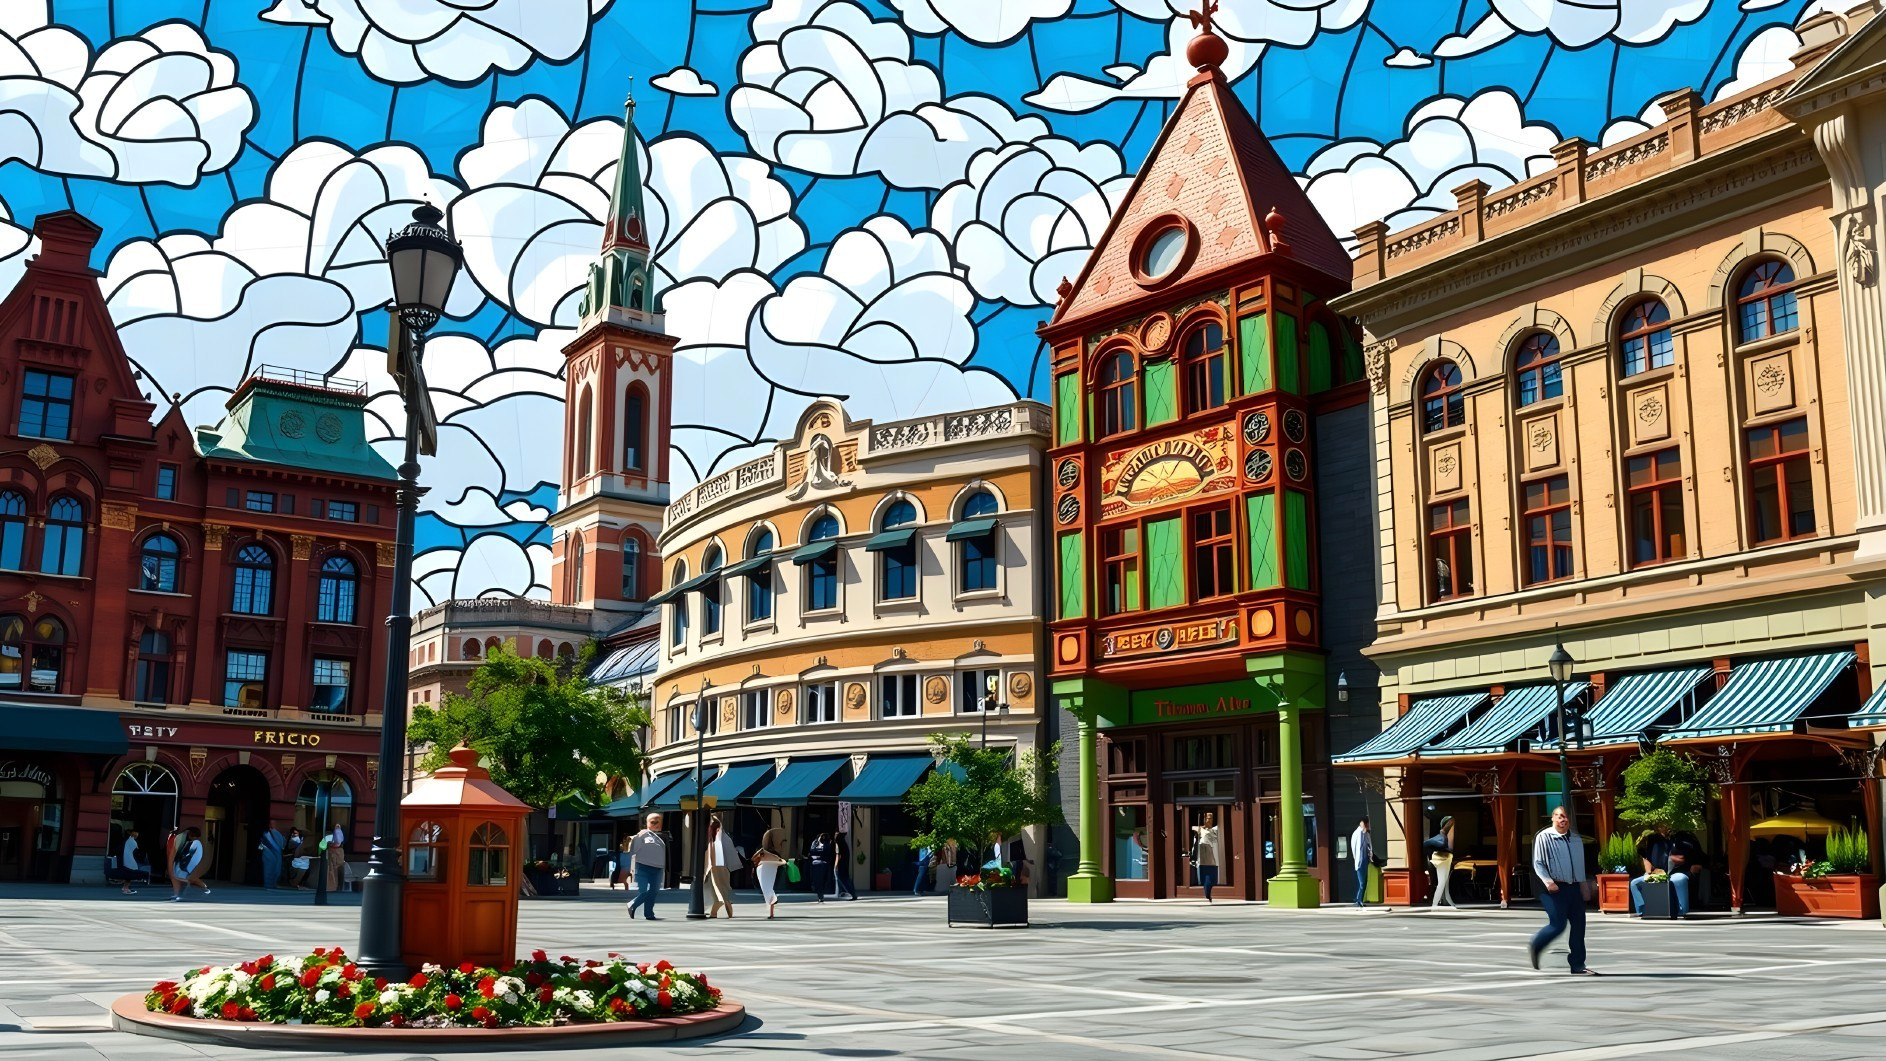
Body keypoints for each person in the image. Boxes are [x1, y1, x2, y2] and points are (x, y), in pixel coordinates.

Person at [1527, 806, 1593, 975]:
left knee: (1579, 926)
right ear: (1553, 818)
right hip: (1552, 888)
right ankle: (1537, 944)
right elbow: (1538, 863)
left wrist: (1584, 885)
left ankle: (1578, 965)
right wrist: (1549, 882)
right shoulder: (1544, 837)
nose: (1563, 820)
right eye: (1559, 817)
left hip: (1573, 887)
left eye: (1565, 818)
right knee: (1558, 925)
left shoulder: (1576, 839)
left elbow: (1579, 865)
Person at [1629, 824, 1698, 918]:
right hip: (1658, 873)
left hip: (1675, 872)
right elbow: (1646, 858)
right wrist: (1649, 872)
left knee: (1679, 879)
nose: (1664, 826)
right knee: (1634, 883)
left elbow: (1690, 856)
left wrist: (1680, 860)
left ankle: (1681, 910)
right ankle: (1642, 910)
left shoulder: (1681, 838)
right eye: (1661, 825)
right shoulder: (1653, 840)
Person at [624, 813, 668, 920]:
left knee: (654, 891)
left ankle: (649, 913)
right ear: (647, 823)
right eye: (653, 822)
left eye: (658, 822)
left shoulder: (662, 836)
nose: (656, 825)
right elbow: (630, 849)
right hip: (643, 867)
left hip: (658, 868)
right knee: (645, 891)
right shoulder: (643, 834)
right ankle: (632, 904)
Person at [706, 816, 738, 918]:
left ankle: (723, 907)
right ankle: (714, 913)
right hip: (721, 867)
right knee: (719, 892)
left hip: (717, 867)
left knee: (720, 892)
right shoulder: (723, 838)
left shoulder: (716, 840)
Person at [753, 828, 789, 919]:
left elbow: (754, 859)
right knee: (769, 888)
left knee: (767, 889)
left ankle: (772, 908)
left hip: (764, 868)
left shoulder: (763, 851)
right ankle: (771, 911)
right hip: (770, 868)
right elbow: (779, 860)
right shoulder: (773, 852)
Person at [169, 827, 210, 902]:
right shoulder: (183, 839)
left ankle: (203, 887)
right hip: (185, 864)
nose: (193, 839)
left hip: (185, 864)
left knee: (186, 878)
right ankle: (179, 894)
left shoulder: (190, 841)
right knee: (185, 878)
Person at [1425, 815, 1457, 909]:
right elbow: (1428, 843)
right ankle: (1435, 904)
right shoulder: (1441, 837)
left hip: (1445, 859)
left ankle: (1449, 902)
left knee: (1445, 882)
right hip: (1442, 859)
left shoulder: (1443, 837)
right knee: (1442, 882)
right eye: (1448, 823)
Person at [1191, 813, 1222, 902]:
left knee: (1213, 880)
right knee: (1206, 880)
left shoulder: (1216, 829)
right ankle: (1208, 895)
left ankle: (1208, 894)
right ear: (1204, 819)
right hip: (1204, 859)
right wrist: (1201, 827)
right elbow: (1192, 827)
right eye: (1208, 818)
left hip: (1214, 858)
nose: (1209, 820)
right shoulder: (1200, 829)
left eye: (1211, 818)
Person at [1351, 816, 1373, 908]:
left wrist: (1370, 856)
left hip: (1365, 860)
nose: (1366, 825)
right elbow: (1354, 847)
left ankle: (1359, 899)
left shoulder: (1366, 834)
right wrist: (1356, 860)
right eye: (1365, 823)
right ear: (1362, 823)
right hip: (1360, 861)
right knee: (1362, 882)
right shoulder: (1357, 833)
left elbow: (1369, 846)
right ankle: (1359, 900)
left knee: (1365, 881)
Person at [257, 820, 285, 891]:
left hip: (275, 855)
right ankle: (268, 884)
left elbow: (282, 845)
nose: (273, 825)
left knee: (275, 869)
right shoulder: (266, 833)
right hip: (268, 855)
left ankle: (272, 884)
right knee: (269, 869)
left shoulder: (277, 833)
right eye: (271, 823)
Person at [119, 829, 148, 894]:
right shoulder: (132, 841)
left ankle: (125, 887)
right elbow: (136, 852)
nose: (136, 835)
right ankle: (126, 889)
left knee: (128, 874)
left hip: (126, 859)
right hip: (129, 860)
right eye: (135, 834)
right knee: (130, 874)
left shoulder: (127, 840)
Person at [808, 833, 834, 903]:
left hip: (823, 864)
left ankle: (821, 895)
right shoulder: (815, 843)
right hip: (815, 864)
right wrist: (820, 854)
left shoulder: (828, 844)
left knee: (822, 880)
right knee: (817, 880)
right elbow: (812, 851)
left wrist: (818, 854)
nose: (823, 838)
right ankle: (820, 894)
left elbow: (827, 852)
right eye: (821, 837)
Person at [832, 831, 857, 900]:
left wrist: (835, 865)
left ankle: (843, 892)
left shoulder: (838, 844)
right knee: (846, 879)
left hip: (841, 864)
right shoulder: (845, 844)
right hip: (845, 864)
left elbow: (838, 855)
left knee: (841, 879)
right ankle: (852, 893)